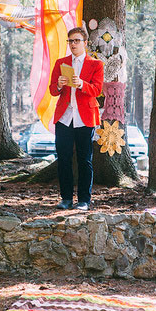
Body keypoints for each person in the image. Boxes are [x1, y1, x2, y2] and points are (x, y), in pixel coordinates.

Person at [48, 27, 104, 211]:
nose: (73, 44)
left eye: (76, 41)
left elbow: (96, 90)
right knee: (63, 158)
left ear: (85, 43)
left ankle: (84, 201)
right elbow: (52, 90)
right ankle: (65, 198)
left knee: (84, 160)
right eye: (70, 41)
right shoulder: (61, 63)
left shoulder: (96, 64)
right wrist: (58, 84)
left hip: (85, 118)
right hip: (64, 117)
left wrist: (81, 84)